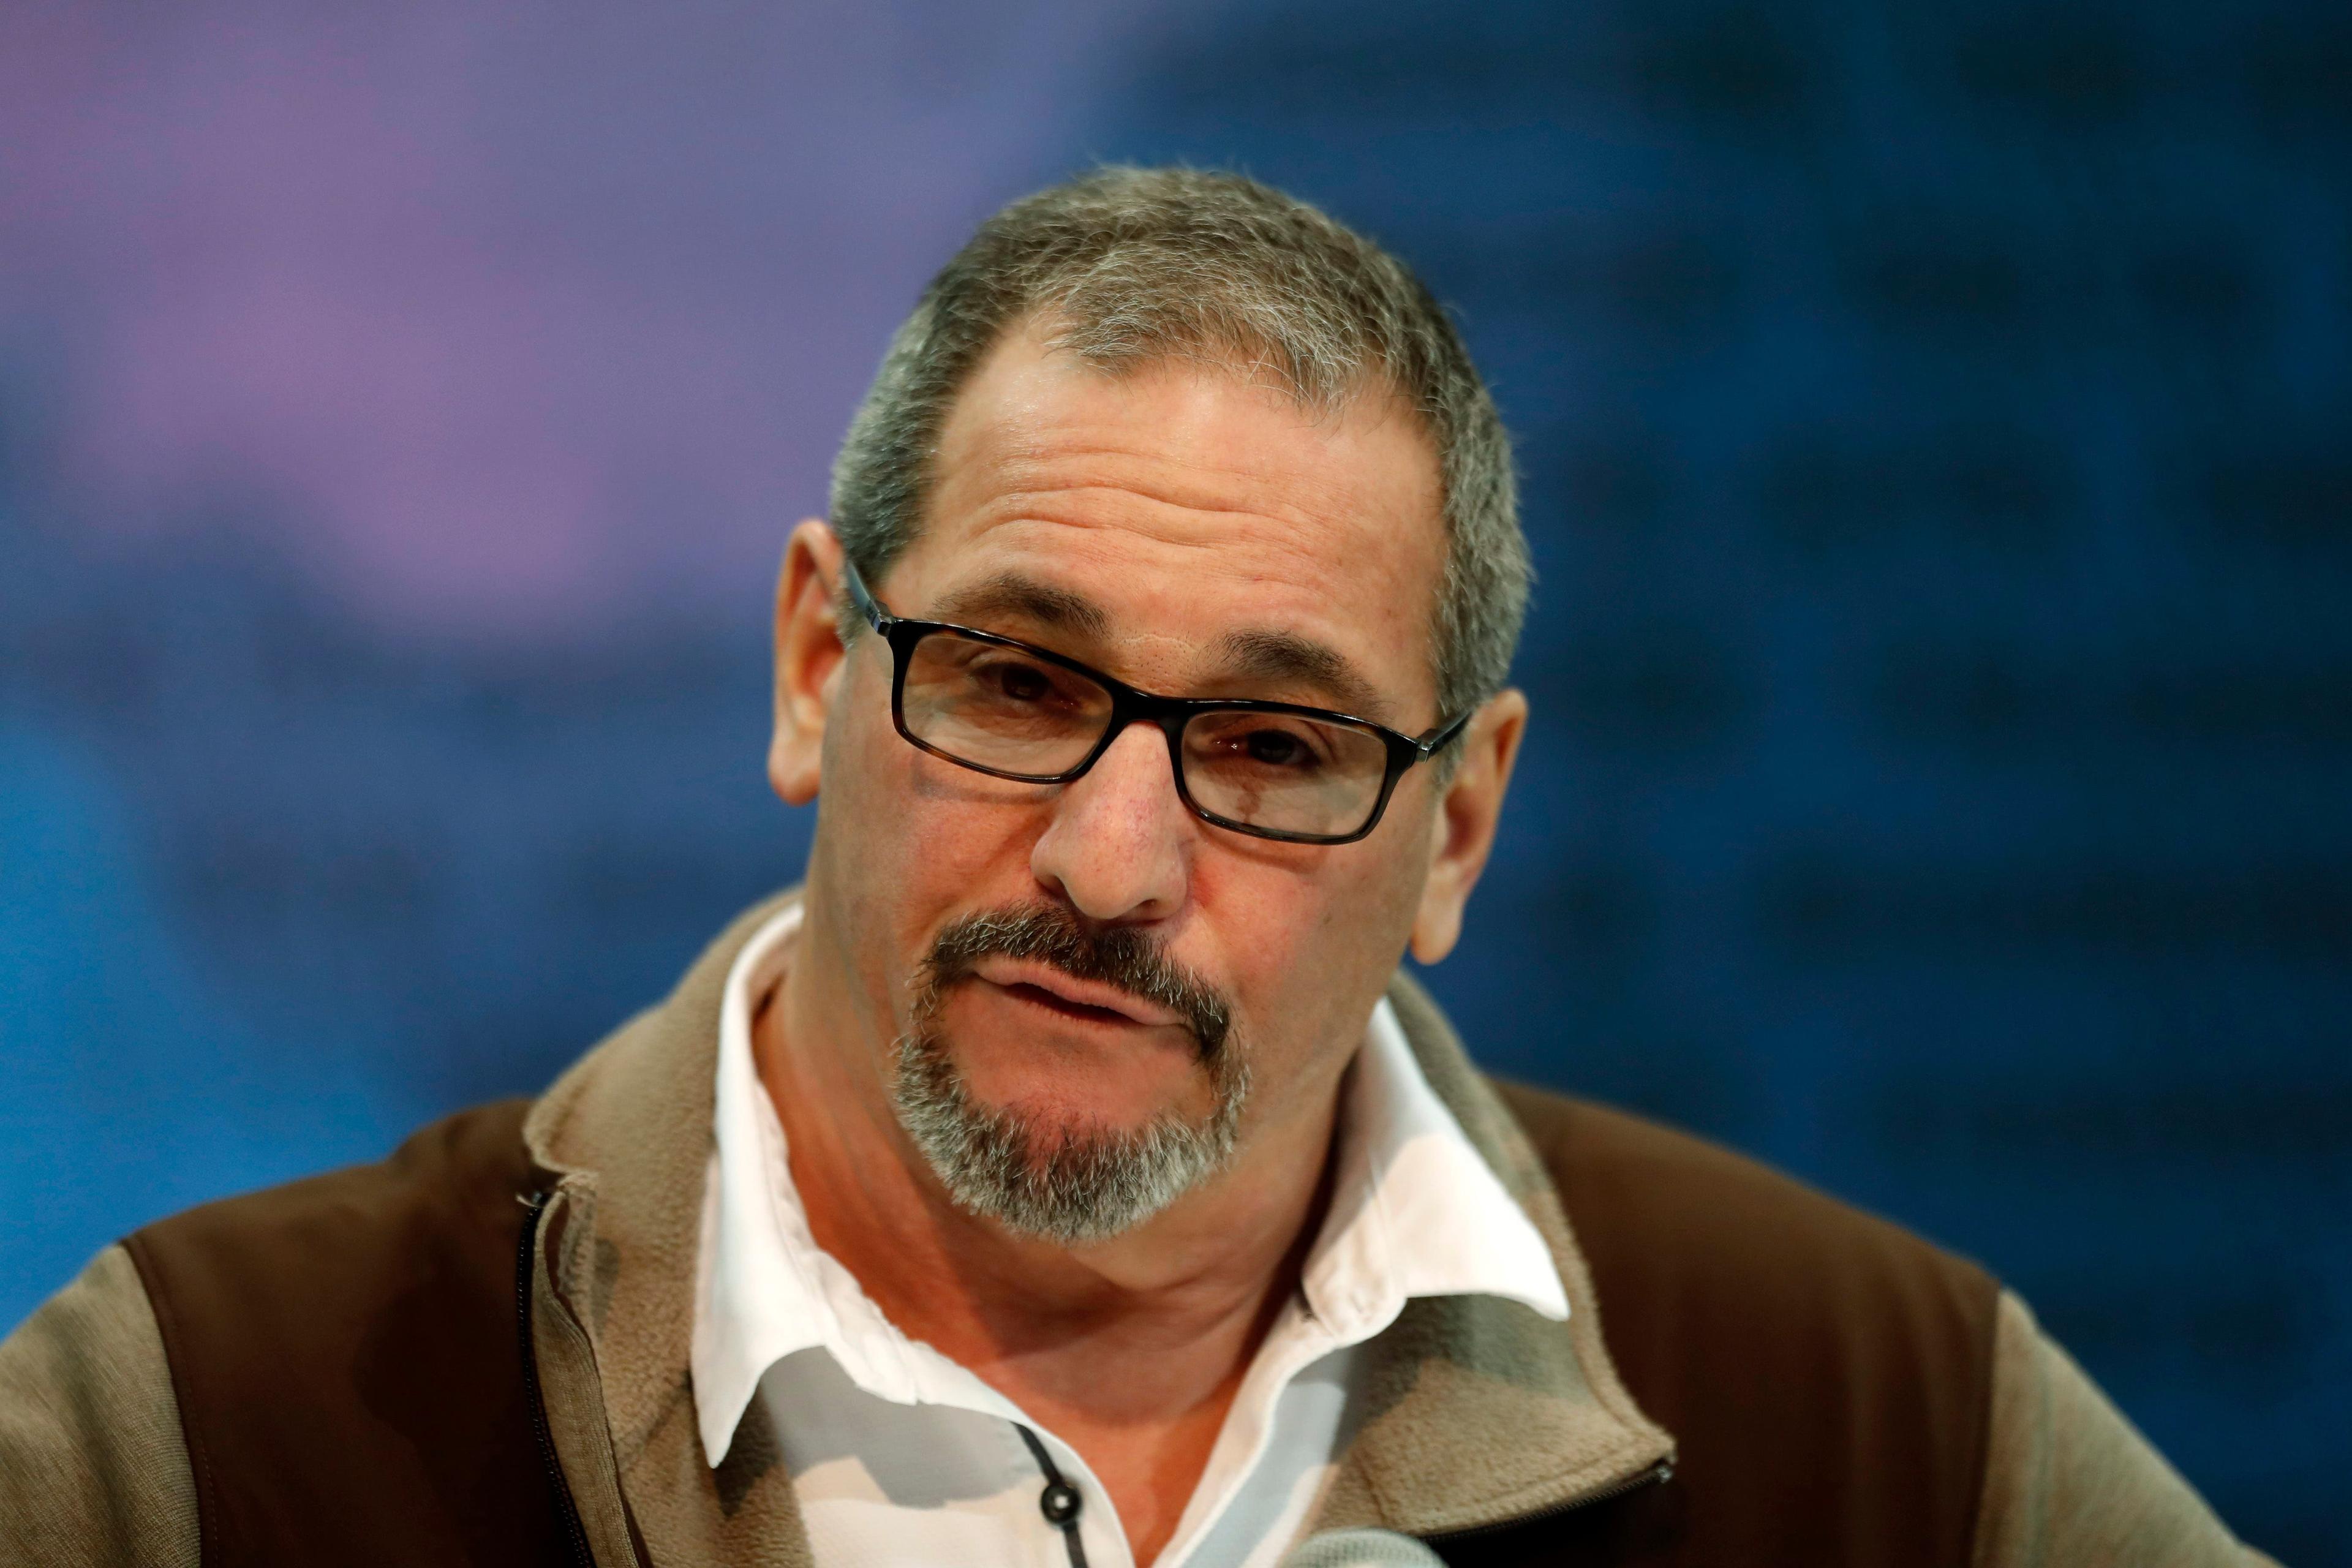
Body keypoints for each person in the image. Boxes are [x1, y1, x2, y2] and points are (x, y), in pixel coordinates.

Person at [0, 168, 2270, 1568]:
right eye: (1008, 679)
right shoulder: (205, 1433)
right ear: (816, 669)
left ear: (1456, 826)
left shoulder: (1879, 1423)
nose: (1109, 860)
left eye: (1274, 747)